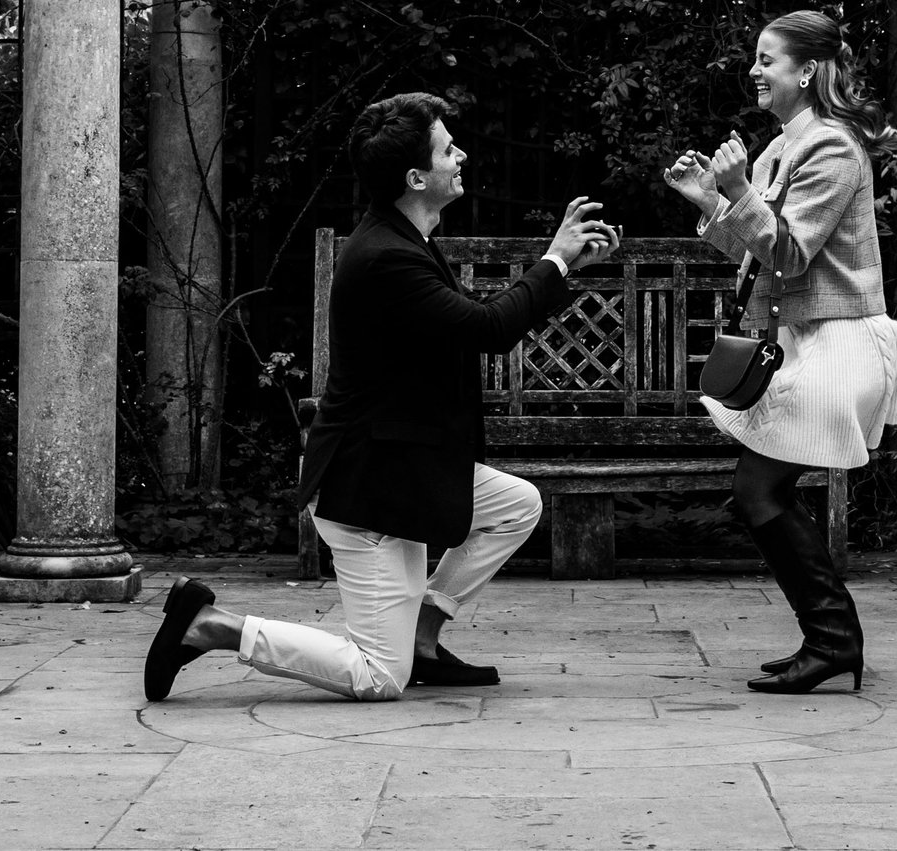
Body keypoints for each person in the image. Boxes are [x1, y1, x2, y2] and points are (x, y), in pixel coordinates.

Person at [144, 91, 620, 702]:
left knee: (515, 504)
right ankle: (211, 626)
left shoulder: (403, 240)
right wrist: (554, 259)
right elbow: (487, 330)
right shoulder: (384, 258)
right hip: (366, 490)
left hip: (408, 468)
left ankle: (422, 637)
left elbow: (468, 327)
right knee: (377, 677)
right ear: (417, 176)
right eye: (449, 149)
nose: (462, 156)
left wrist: (562, 268)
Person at [664, 9, 897, 695]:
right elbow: (764, 258)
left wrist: (739, 192)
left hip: (837, 342)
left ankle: (835, 638)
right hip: (797, 341)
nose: (755, 69)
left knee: (758, 488)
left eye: (767, 58)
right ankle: (830, 638)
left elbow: (789, 249)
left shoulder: (834, 148)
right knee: (763, 488)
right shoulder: (778, 147)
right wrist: (714, 202)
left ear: (805, 70)